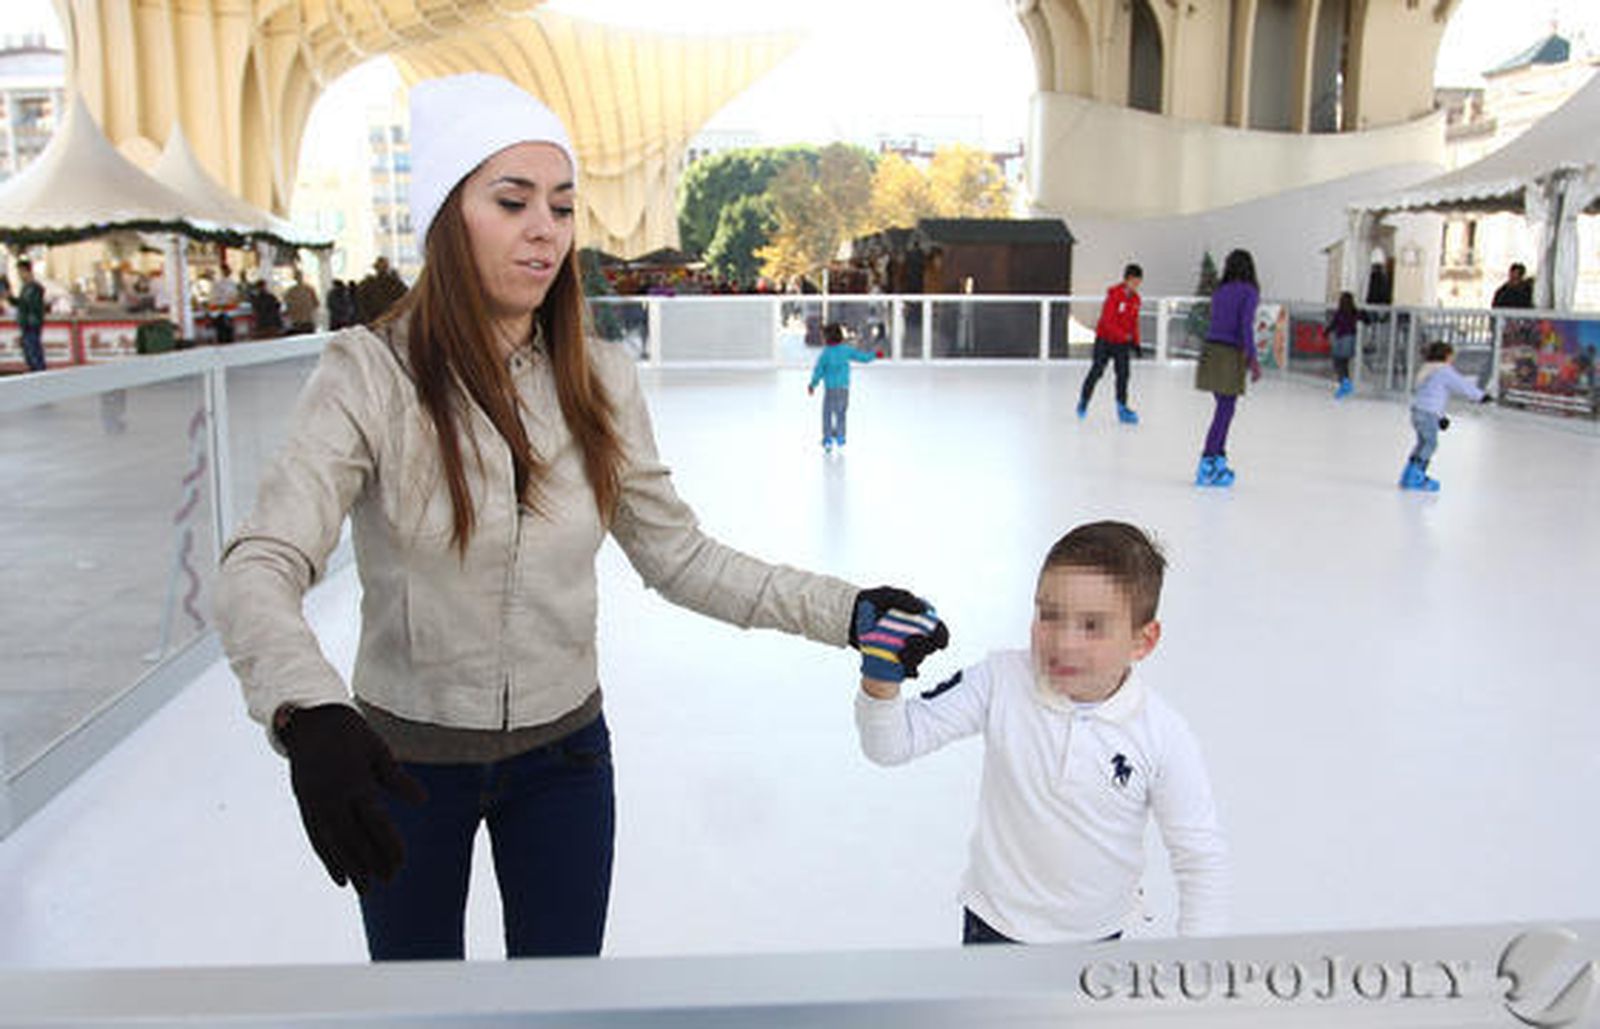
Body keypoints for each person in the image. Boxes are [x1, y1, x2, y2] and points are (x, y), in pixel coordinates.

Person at [213, 72, 947, 963]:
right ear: (449, 216)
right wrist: (310, 713)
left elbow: (679, 555)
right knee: (419, 1005)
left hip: (562, 763)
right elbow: (263, 560)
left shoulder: (599, 378)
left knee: (561, 1003)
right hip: (403, 764)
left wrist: (846, 610)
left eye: (561, 207)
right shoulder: (368, 376)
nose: (544, 230)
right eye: (512, 200)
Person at [854, 520, 1227, 945]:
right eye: (1049, 615)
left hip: (1097, 940)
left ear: (1142, 641)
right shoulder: (999, 681)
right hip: (993, 925)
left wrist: (1198, 964)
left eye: (1092, 626)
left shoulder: (1163, 735)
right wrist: (881, 676)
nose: (1064, 642)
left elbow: (1199, 857)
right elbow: (891, 744)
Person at [1193, 249, 1262, 487]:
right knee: (1225, 411)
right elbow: (1245, 326)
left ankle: (1218, 459)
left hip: (1211, 350)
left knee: (1224, 408)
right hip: (1229, 353)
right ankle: (1208, 462)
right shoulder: (1249, 292)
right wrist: (1253, 360)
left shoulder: (1221, 291)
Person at [1400, 341, 1490, 492]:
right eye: (1451, 354)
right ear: (1446, 355)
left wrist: (1440, 417)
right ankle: (1415, 477)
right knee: (1430, 444)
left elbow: (1431, 395)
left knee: (1423, 443)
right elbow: (1462, 385)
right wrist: (1481, 396)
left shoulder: (1428, 369)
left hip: (1418, 411)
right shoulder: (1444, 371)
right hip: (1428, 413)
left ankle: (1410, 473)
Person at [1077, 263, 1143, 424]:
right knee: (1097, 371)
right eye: (1134, 282)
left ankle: (1122, 408)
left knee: (1123, 375)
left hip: (1122, 344)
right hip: (1105, 341)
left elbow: (1134, 322)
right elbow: (1107, 321)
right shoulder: (1114, 295)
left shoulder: (1136, 300)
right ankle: (1084, 401)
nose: (1136, 285)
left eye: (1138, 282)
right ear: (1127, 280)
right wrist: (1124, 336)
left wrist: (1136, 341)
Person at [807, 321, 878, 451]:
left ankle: (828, 438)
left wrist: (813, 384)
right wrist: (874, 355)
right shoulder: (846, 350)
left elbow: (819, 370)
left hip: (830, 389)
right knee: (841, 413)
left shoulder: (826, 354)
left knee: (827, 413)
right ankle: (840, 437)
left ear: (827, 338)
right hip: (844, 389)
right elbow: (862, 357)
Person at [1325, 290, 1363, 399]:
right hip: (1347, 339)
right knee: (1343, 363)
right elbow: (1334, 324)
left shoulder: (1342, 312)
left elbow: (1334, 324)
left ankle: (1345, 384)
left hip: (1343, 339)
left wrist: (1326, 331)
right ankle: (1345, 384)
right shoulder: (1353, 312)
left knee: (1339, 362)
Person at [13, 259, 47, 372]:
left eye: (20, 272)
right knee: (29, 355)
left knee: (34, 355)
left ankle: (40, 378)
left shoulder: (35, 288)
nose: (19, 276)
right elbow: (21, 304)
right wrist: (10, 298)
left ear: (26, 271)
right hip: (26, 325)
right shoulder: (26, 288)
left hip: (31, 326)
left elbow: (32, 307)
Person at [356, 257, 407, 324]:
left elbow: (405, 298)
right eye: (380, 266)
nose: (382, 268)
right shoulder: (368, 284)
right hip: (378, 318)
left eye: (384, 266)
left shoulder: (394, 283)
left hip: (388, 318)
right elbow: (361, 302)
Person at [284, 268, 319, 335]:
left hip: (306, 320)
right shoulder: (291, 291)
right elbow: (316, 304)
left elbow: (316, 303)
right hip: (298, 321)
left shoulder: (309, 289)